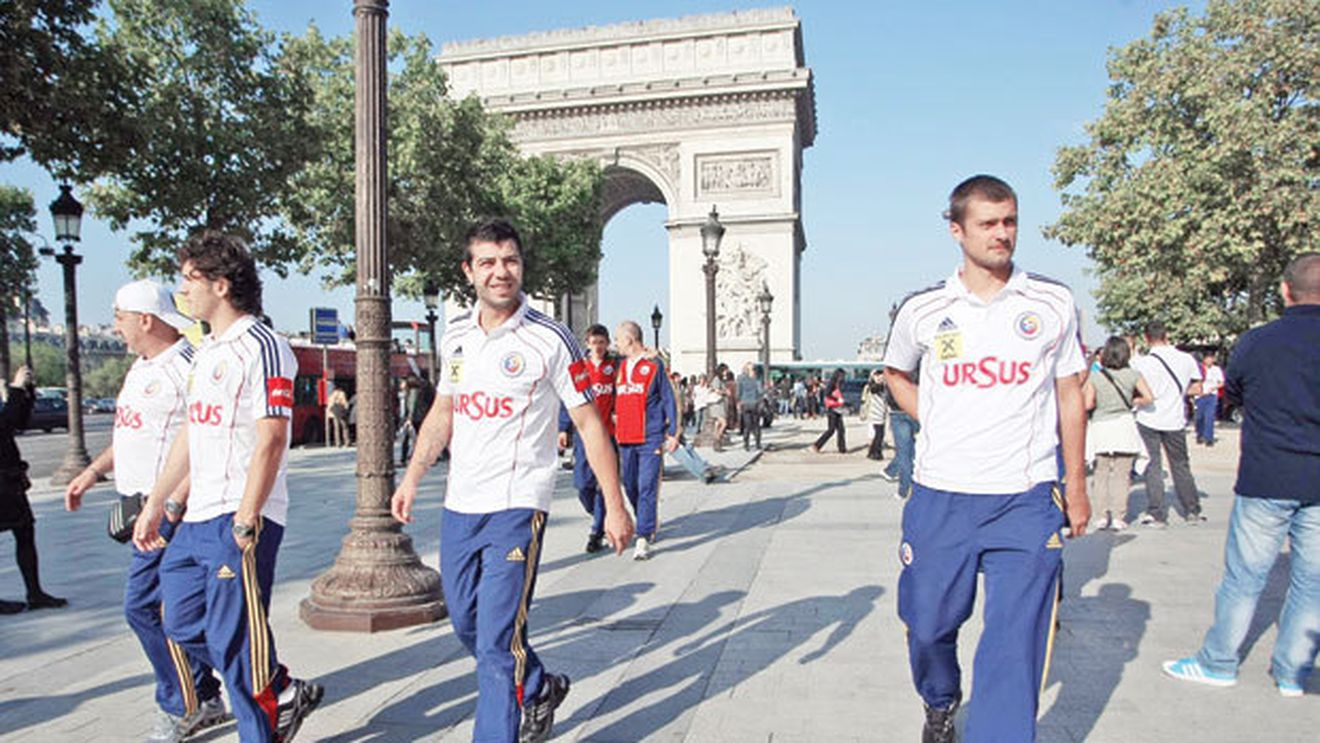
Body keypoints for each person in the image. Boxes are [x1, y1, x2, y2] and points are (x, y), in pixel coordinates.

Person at [392, 220, 634, 743]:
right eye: (488, 262)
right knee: (467, 625)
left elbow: (591, 423)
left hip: (519, 505)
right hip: (461, 503)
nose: (500, 272)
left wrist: (614, 506)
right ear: (469, 270)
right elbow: (443, 411)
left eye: (510, 261)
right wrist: (411, 476)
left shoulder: (550, 339)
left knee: (498, 644)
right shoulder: (455, 334)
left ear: (521, 266)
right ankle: (540, 686)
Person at [883, 175, 1089, 743]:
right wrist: (938, 416)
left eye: (1011, 221)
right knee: (927, 625)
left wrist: (1076, 485)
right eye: (988, 224)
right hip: (941, 495)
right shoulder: (923, 309)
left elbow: (1072, 392)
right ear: (957, 230)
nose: (1003, 234)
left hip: (1025, 497)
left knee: (1012, 645)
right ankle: (940, 701)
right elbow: (895, 374)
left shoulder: (1052, 302)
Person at [133, 232, 323, 743]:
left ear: (220, 285)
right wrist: (158, 502)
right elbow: (192, 432)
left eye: (189, 280)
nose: (182, 292)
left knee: (235, 643)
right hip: (195, 518)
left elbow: (272, 437)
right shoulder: (205, 352)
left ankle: (261, 728)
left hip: (239, 515)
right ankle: (280, 687)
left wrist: (247, 516)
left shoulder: (263, 346)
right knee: (178, 621)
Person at [64, 279, 229, 742]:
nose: (114, 327)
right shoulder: (139, 368)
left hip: (168, 514)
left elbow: (204, 440)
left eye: (118, 316)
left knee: (145, 608)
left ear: (145, 318)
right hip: (138, 507)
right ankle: (208, 692)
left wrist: (172, 503)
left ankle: (189, 701)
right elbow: (128, 434)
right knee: (164, 611)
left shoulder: (186, 367)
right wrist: (93, 472)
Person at [1162, 252, 1320, 698]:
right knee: (1313, 581)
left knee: (1245, 575)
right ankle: (1292, 673)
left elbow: (1231, 394)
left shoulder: (1257, 342)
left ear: (1285, 291)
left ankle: (1220, 661)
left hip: (1267, 474)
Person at [0, 365, 66, 614]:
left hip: (8, 479)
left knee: (25, 533)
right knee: (23, 533)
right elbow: (4, 425)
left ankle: (35, 592)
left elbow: (17, 422)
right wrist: (16, 389)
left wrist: (26, 394)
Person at [613, 320, 679, 561]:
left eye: (617, 339)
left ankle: (643, 536)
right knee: (630, 485)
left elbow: (669, 398)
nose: (615, 343)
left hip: (650, 436)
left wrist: (673, 433)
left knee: (647, 486)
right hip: (625, 437)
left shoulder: (654, 366)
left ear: (629, 339)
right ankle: (646, 518)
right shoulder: (619, 366)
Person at [1132, 320, 1204, 527]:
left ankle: (1157, 513)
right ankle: (1192, 510)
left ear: (1146, 338)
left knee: (1153, 465)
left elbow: (1137, 391)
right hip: (1175, 419)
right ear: (1167, 335)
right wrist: (1178, 392)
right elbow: (1197, 388)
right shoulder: (1186, 359)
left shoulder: (1141, 363)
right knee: (1180, 464)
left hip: (1148, 417)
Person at [556, 324, 619, 554]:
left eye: (602, 342)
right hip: (584, 435)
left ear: (608, 343)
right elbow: (568, 399)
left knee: (604, 483)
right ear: (587, 343)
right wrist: (564, 428)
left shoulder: (616, 366)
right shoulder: (579, 368)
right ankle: (602, 515)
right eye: (595, 342)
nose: (599, 347)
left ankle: (596, 531)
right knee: (582, 485)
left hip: (609, 433)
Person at [1083, 336, 1154, 531]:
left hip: (1101, 426)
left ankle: (1100, 516)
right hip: (1124, 425)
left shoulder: (1096, 376)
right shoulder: (1134, 375)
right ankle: (1119, 516)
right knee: (1122, 475)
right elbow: (1148, 397)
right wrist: (1133, 402)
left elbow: (1088, 403)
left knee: (1101, 473)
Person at [881, 366, 920, 499]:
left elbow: (889, 392)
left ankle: (904, 489)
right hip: (915, 408)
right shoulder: (918, 366)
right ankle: (891, 471)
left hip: (898, 412)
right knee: (912, 448)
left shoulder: (893, 369)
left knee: (904, 452)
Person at [810, 368, 847, 453]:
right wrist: (837, 399)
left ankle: (842, 449)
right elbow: (827, 394)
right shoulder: (831, 383)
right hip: (832, 409)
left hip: (838, 408)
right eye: (842, 375)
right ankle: (817, 445)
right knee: (831, 429)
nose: (843, 377)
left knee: (841, 429)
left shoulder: (839, 384)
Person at [1194, 351, 1224, 446]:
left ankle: (1209, 438)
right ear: (1204, 359)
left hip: (1212, 395)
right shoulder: (1199, 369)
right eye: (1208, 358)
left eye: (1211, 358)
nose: (1210, 360)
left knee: (1209, 417)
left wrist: (1214, 388)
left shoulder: (1216, 369)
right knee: (1199, 417)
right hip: (1200, 395)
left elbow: (1221, 382)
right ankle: (1200, 434)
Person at [860, 369, 890, 461]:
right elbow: (874, 390)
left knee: (879, 434)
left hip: (881, 413)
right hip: (874, 414)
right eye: (877, 376)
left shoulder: (884, 387)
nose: (879, 378)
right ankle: (876, 453)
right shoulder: (872, 387)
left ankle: (872, 452)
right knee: (879, 434)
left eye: (881, 376)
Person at [736, 362, 764, 451]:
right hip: (755, 404)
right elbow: (760, 392)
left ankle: (746, 444)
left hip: (744, 404)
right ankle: (758, 443)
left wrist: (738, 402)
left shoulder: (740, 379)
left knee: (747, 425)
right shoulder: (756, 380)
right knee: (756, 425)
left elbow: (738, 393)